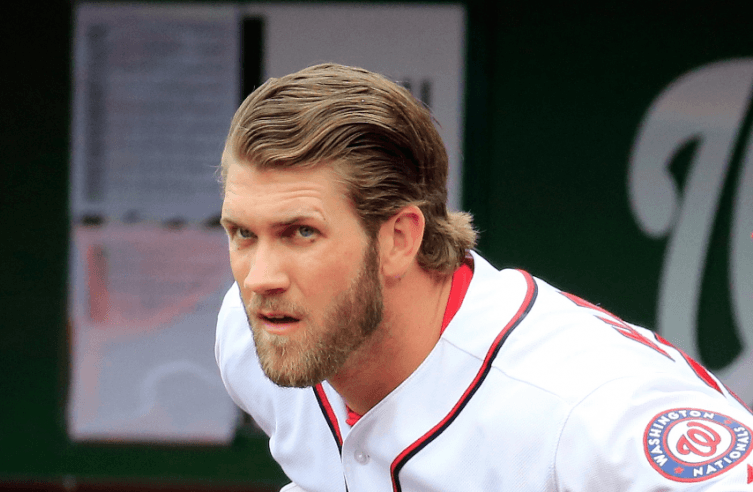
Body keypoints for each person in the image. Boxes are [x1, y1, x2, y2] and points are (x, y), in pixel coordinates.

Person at [215, 63, 753, 492]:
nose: (260, 278)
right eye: (242, 234)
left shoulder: (592, 411)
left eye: (301, 233)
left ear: (399, 238)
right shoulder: (255, 336)